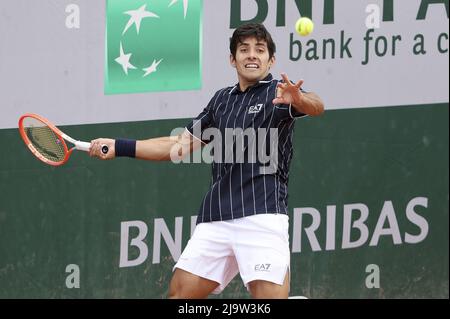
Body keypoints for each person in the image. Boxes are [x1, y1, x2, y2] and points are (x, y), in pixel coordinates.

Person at [90, 23, 324, 299]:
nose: (252, 55)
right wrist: (119, 146)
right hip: (217, 217)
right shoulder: (221, 101)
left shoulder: (279, 93)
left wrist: (300, 98)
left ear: (270, 60)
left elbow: (316, 106)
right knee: (180, 296)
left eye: (260, 50)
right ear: (232, 59)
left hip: (262, 215)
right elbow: (177, 146)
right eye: (244, 49)